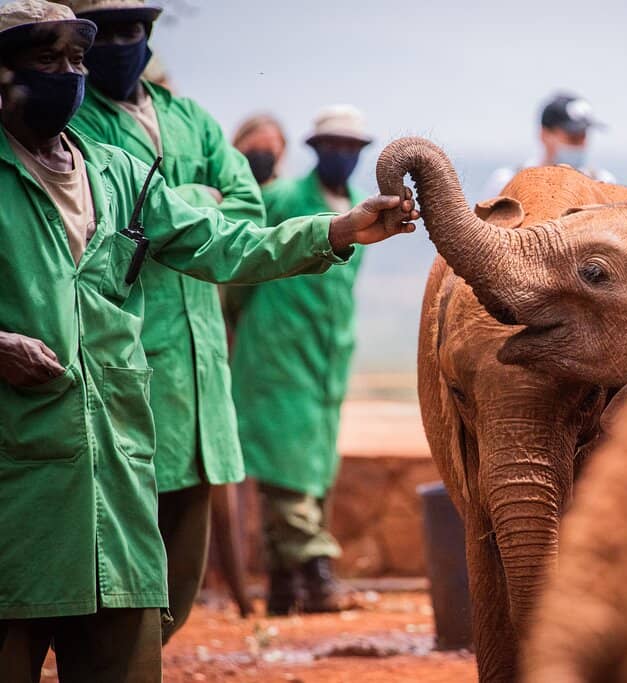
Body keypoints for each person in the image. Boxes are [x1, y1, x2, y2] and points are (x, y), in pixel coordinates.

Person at [0, 2, 417, 679]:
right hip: (21, 483)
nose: (70, 73)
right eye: (47, 60)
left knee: (136, 639)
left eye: (76, 57)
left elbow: (225, 237)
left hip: (117, 463)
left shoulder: (115, 173)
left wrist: (337, 231)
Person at [60, 0, 268, 643]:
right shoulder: (78, 127)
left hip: (200, 369)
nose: (125, 44)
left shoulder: (190, 121)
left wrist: (175, 213)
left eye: (136, 31)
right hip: (130, 359)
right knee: (120, 552)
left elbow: (247, 210)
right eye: (110, 33)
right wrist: (199, 206)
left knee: (184, 551)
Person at [228, 106, 372, 616]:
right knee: (285, 468)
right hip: (275, 352)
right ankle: (317, 574)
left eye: (350, 148)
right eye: (331, 145)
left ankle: (285, 587)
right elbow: (238, 258)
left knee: (307, 469)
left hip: (325, 360)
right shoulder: (282, 199)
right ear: (314, 150)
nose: (341, 155)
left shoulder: (359, 209)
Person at [482, 92, 615, 199]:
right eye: (573, 137)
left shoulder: (604, 183)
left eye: (584, 136)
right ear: (544, 135)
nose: (581, 144)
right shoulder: (505, 182)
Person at [233, 113, 287, 186]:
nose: (260, 156)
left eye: (268, 150)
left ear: (281, 152)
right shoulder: (221, 188)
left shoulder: (289, 194)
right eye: (253, 149)